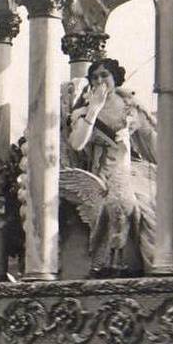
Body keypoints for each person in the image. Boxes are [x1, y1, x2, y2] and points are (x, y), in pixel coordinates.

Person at [67, 58, 157, 277]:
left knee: (153, 205)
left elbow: (152, 143)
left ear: (115, 78)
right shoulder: (84, 111)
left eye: (105, 75)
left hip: (134, 168)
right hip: (105, 170)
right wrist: (94, 109)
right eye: (95, 77)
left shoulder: (131, 107)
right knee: (122, 203)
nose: (100, 81)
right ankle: (115, 263)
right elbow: (77, 143)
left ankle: (155, 265)